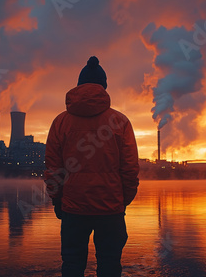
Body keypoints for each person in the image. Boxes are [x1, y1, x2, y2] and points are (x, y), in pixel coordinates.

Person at [44, 56, 140, 277]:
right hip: (110, 209)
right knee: (109, 265)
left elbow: (53, 168)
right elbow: (130, 170)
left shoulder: (60, 122)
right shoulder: (120, 122)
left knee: (72, 264)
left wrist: (57, 200)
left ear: (78, 85)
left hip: (73, 209)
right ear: (104, 87)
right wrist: (121, 201)